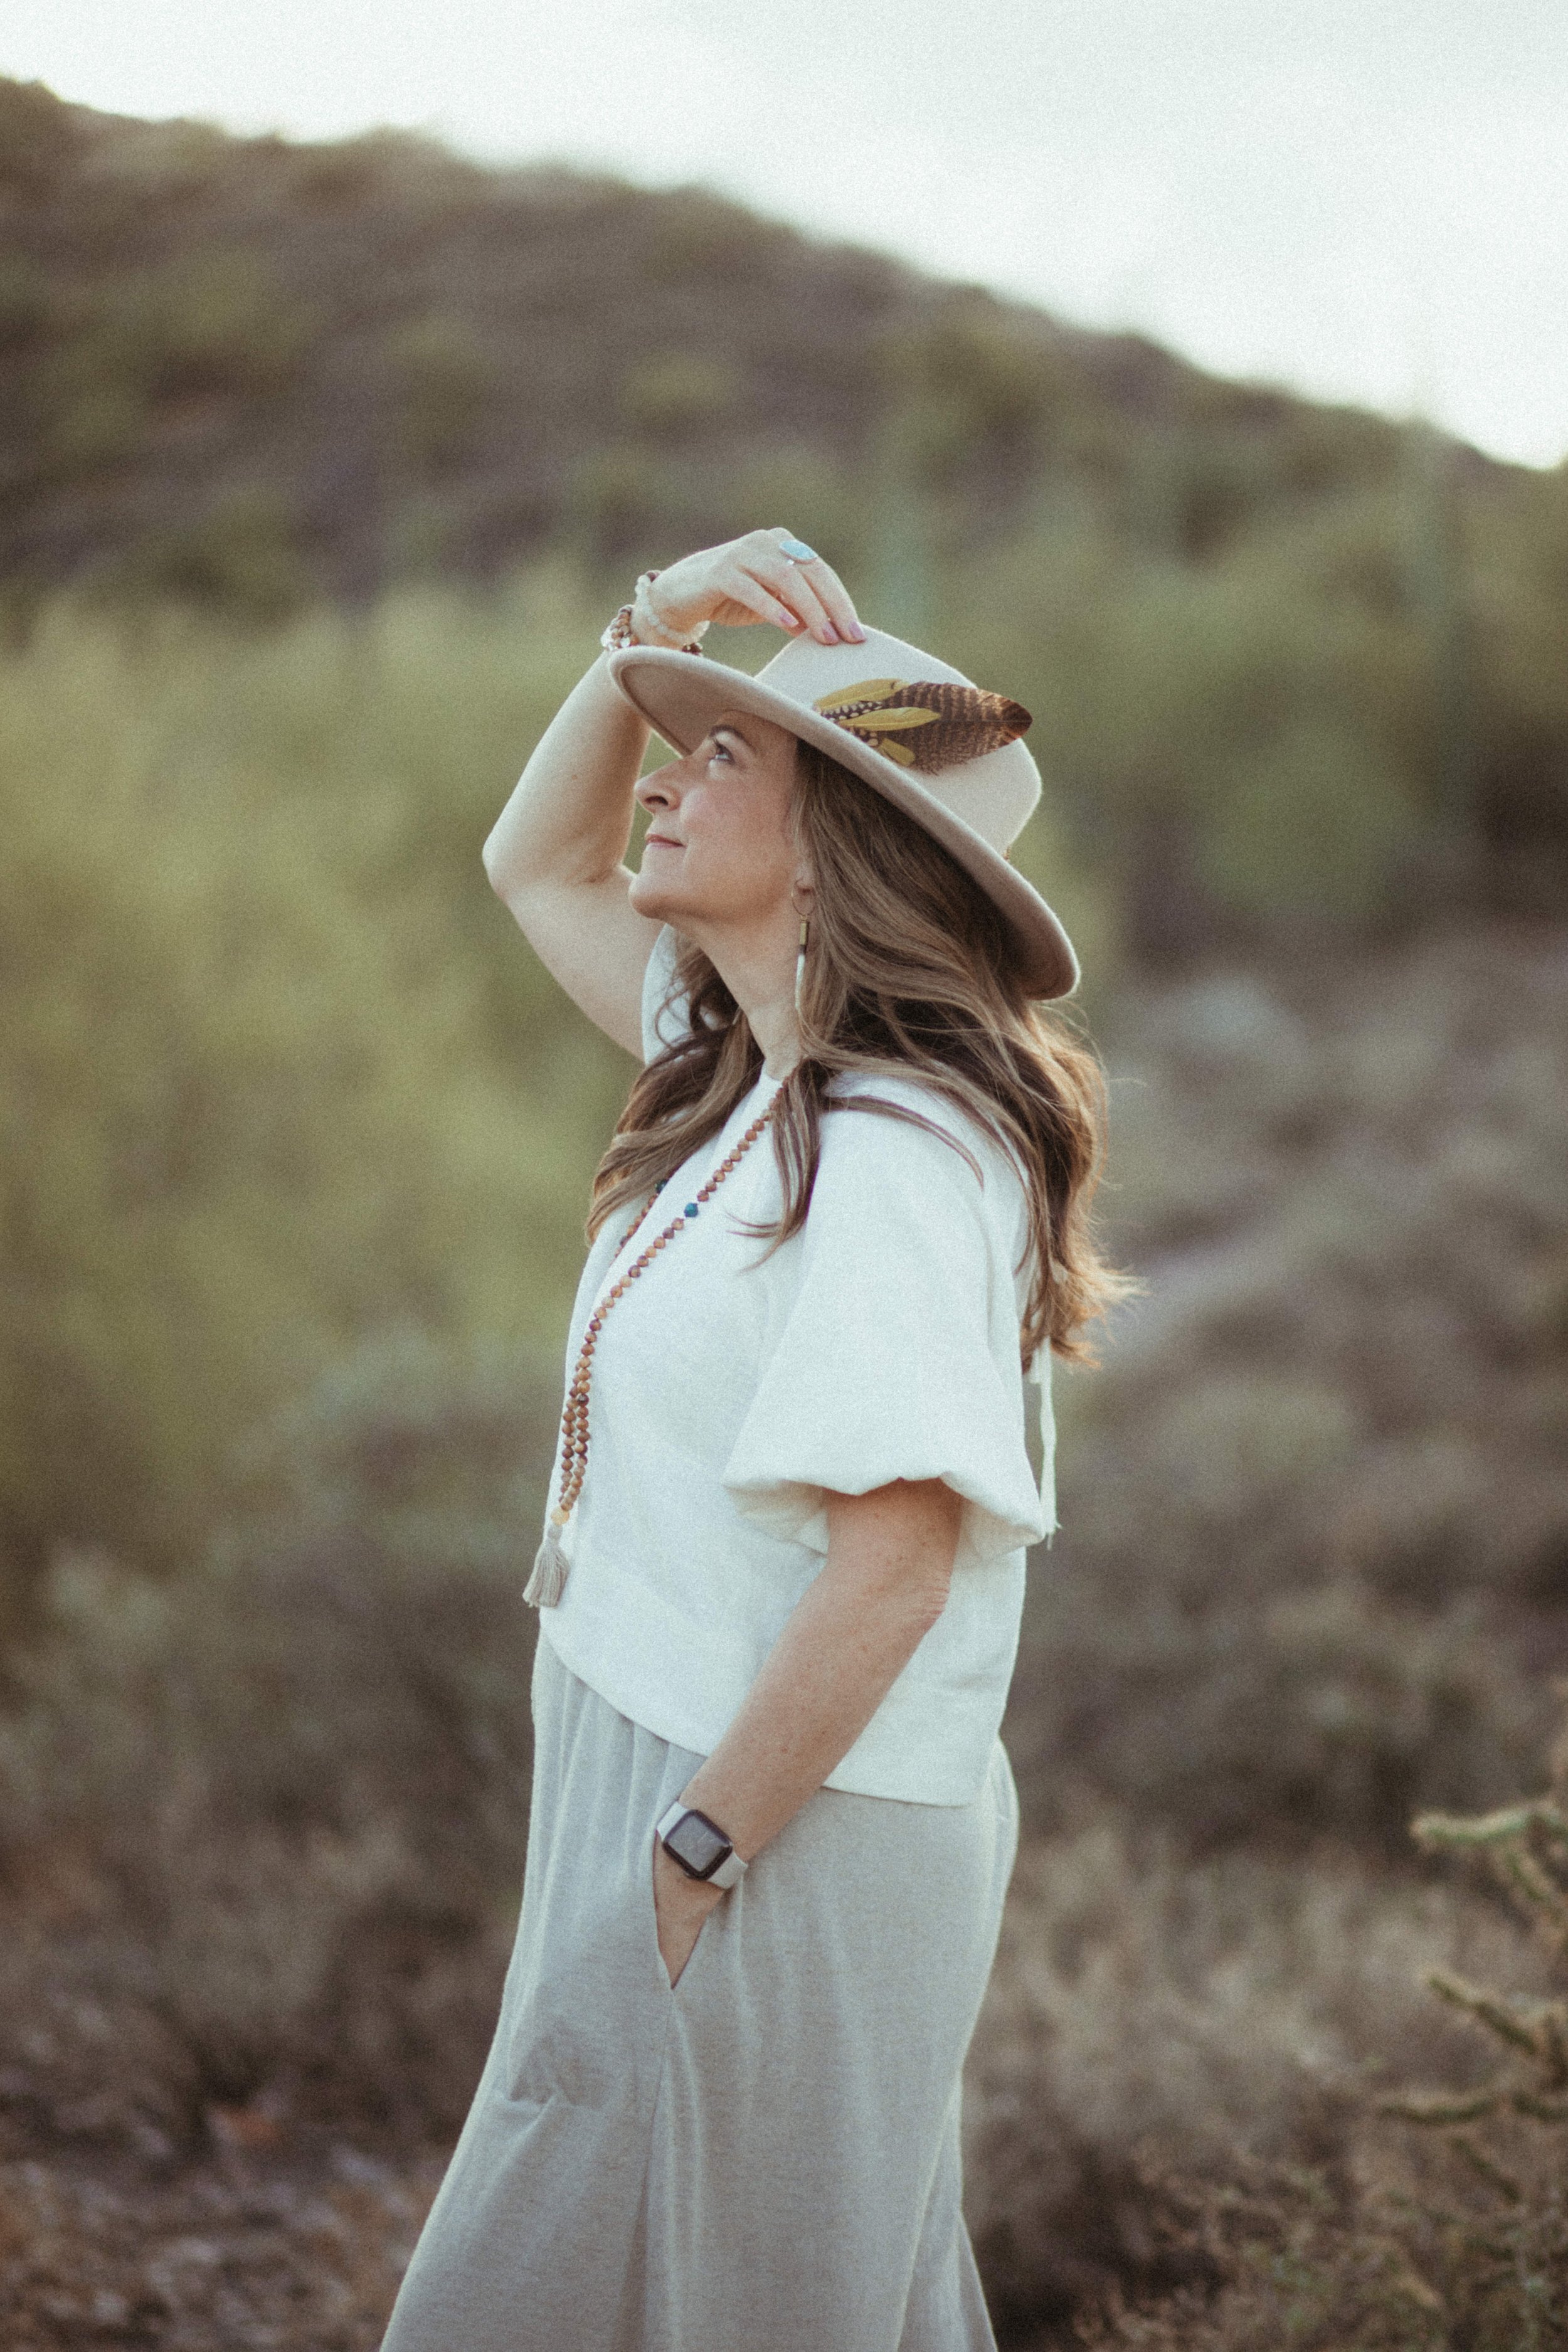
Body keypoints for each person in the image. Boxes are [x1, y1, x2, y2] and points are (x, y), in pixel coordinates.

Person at [380, 526, 1120, 2352]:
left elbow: (892, 1567)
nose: (664, 774)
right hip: (671, 1764)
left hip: (771, 1811)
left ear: (834, 852)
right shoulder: (742, 1076)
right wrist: (653, 624)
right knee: (719, 2287)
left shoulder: (889, 1155)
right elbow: (525, 855)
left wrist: (686, 1860)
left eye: (725, 755)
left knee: (649, 2297)